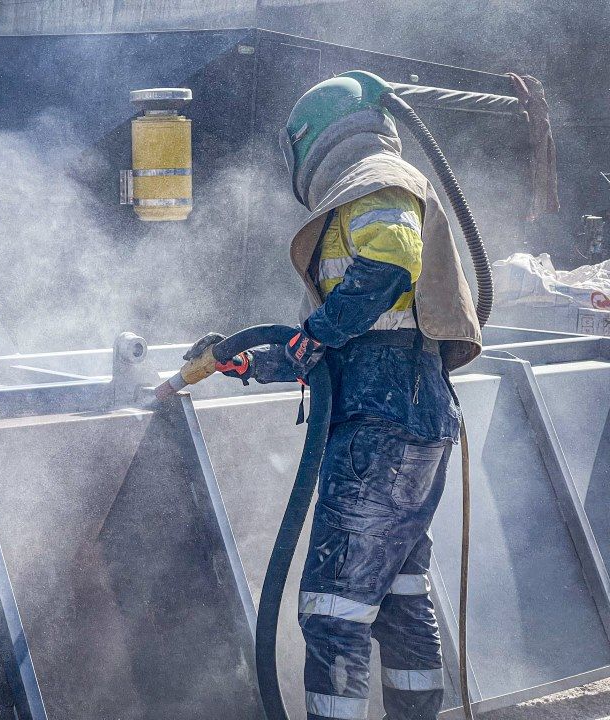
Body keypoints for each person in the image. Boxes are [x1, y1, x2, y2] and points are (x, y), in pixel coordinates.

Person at [185, 71, 481, 720]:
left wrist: (317, 332)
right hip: (407, 409)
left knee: (333, 610)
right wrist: (256, 363)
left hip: (383, 421)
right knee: (400, 597)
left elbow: (389, 265)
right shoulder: (368, 190)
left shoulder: (376, 182)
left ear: (312, 141)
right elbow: (349, 336)